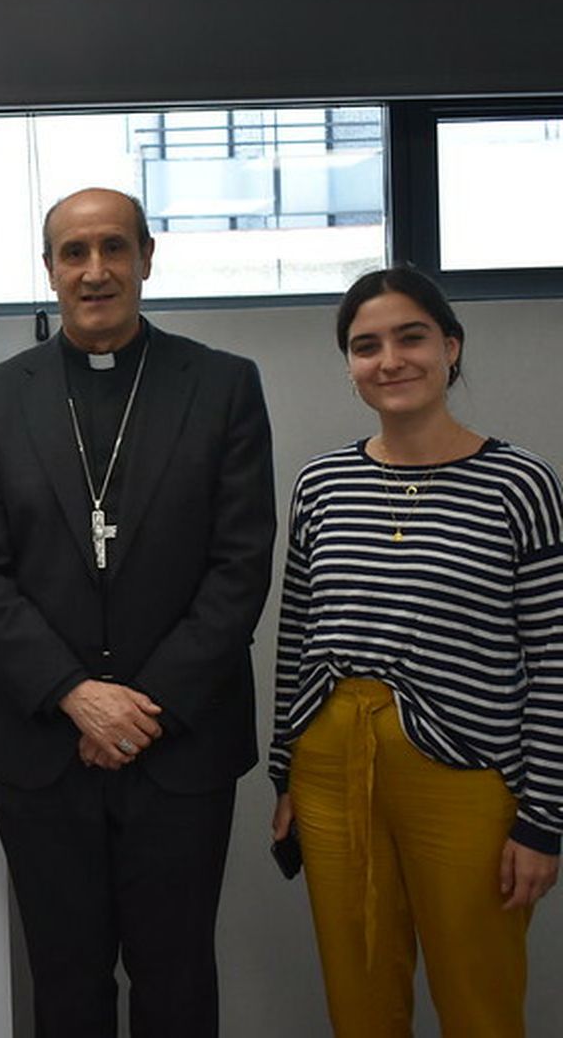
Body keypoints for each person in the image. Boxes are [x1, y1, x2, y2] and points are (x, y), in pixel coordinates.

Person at [0, 187, 276, 1036]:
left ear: (146, 256)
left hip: (181, 748)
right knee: (66, 984)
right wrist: (75, 692)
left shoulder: (222, 386)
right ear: (51, 269)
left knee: (176, 982)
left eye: (113, 249)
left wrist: (141, 704)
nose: (95, 271)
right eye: (74, 253)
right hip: (45, 749)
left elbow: (239, 569)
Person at [269, 266, 563, 1037]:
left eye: (411, 337)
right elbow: (297, 635)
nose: (389, 359)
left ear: (451, 348)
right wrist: (284, 775)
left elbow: (555, 660)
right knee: (360, 994)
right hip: (330, 767)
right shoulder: (322, 484)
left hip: (468, 773)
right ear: (350, 367)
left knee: (479, 998)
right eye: (366, 346)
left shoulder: (518, 483)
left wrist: (543, 820)